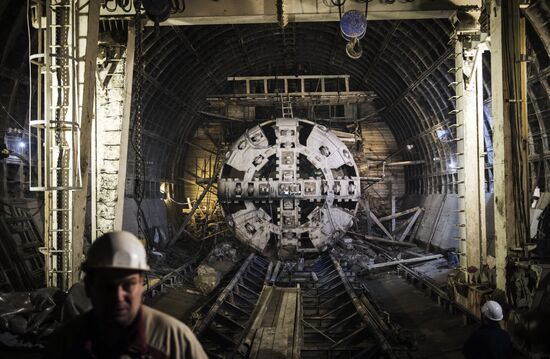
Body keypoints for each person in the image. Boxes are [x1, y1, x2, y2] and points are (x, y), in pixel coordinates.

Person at [44, 231, 208, 359]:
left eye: (128, 284)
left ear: (141, 284)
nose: (118, 296)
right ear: (88, 287)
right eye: (107, 285)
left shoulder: (175, 340)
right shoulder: (64, 343)